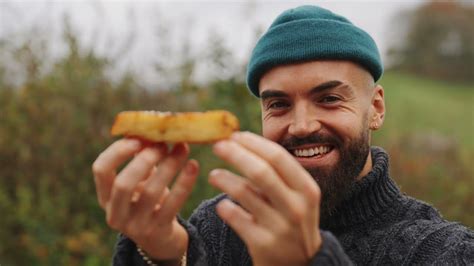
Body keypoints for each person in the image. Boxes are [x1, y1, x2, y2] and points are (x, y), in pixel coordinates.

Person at [92, 5, 474, 266]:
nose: (302, 125)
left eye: (328, 98)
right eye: (278, 105)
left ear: (375, 108)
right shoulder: (216, 225)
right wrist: (163, 255)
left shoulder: (443, 251)